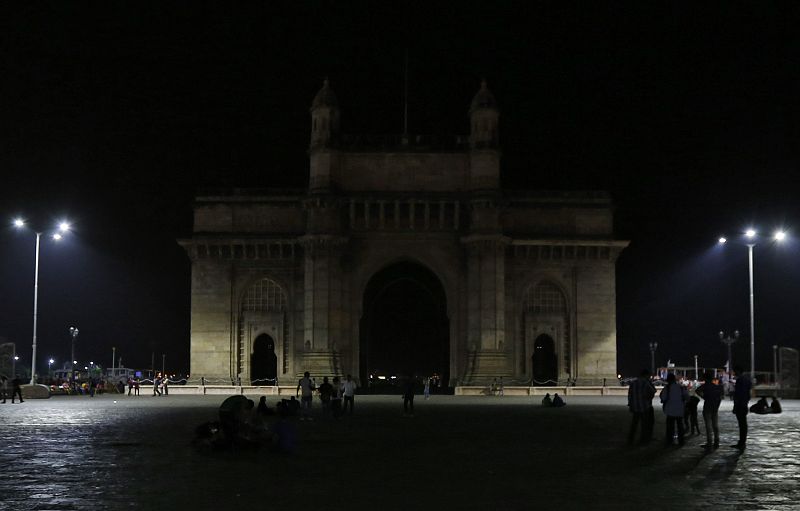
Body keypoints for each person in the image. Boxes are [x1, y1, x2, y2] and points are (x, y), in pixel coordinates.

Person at [695, 370, 723, 452]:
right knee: (715, 425)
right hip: (714, 407)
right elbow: (720, 397)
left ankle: (709, 443)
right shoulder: (716, 386)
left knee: (708, 426)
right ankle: (716, 441)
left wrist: (704, 397)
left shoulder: (705, 386)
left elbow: (697, 391)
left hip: (707, 406)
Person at [627, 369, 656, 445]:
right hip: (644, 407)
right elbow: (653, 391)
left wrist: (631, 405)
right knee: (644, 425)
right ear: (646, 375)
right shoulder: (646, 383)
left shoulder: (633, 383)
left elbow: (630, 395)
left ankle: (630, 439)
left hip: (635, 406)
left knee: (634, 424)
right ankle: (643, 440)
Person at [660, 373, 688, 447]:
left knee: (670, 427)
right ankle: (681, 441)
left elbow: (663, 398)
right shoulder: (681, 387)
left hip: (670, 410)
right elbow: (687, 398)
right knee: (680, 427)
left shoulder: (667, 388)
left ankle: (669, 441)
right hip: (680, 410)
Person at [731, 365, 751, 449]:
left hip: (740, 404)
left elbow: (738, 394)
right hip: (744, 404)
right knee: (743, 424)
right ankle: (742, 441)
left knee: (742, 424)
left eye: (735, 371)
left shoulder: (740, 380)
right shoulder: (747, 380)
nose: (734, 373)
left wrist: (735, 406)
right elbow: (748, 393)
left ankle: (741, 442)